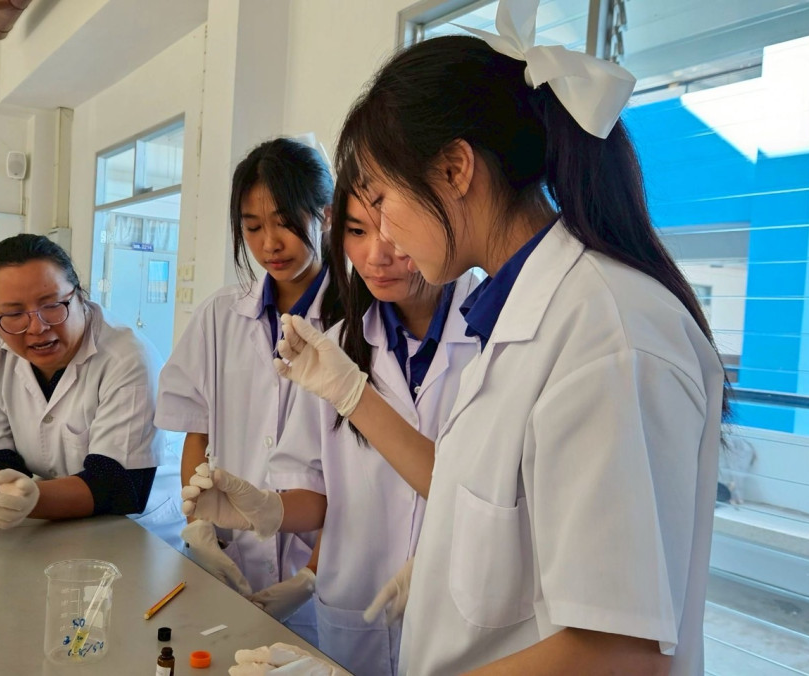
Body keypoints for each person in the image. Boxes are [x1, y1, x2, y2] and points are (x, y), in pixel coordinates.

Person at [270, 1, 727, 673]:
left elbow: (620, 651)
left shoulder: (605, 332)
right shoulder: (519, 318)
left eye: (384, 202)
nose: (384, 238)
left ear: (455, 169)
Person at [182, 159, 481, 676]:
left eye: (397, 230)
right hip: (353, 615)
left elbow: (508, 494)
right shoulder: (339, 343)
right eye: (357, 232)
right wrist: (267, 510)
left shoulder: (494, 335)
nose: (376, 255)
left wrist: (449, 551)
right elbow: (317, 493)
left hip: (464, 614)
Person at [155, 138, 339, 642]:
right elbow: (197, 430)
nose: (269, 244)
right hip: (231, 555)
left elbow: (362, 478)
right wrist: (199, 526)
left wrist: (311, 575)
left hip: (325, 568)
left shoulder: (356, 320)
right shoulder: (220, 315)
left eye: (284, 222)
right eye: (252, 227)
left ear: (325, 216)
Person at [0, 234, 177, 534]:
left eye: (52, 305)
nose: (38, 328)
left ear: (80, 295)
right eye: (14, 314)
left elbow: (119, 484)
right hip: (56, 523)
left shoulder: (127, 358)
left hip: (139, 529)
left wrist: (35, 498)